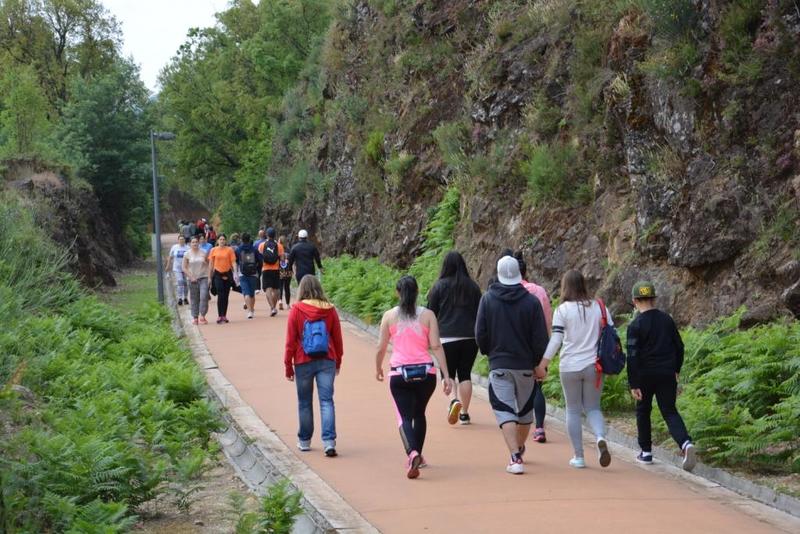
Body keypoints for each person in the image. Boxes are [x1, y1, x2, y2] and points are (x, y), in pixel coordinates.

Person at [476, 256, 549, 475]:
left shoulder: (488, 299)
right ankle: (518, 449)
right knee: (525, 413)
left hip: (499, 364)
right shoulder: (531, 302)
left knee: (504, 410)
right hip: (525, 366)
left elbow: (480, 333)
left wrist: (489, 352)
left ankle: (515, 456)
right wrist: (538, 363)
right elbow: (540, 338)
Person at [376, 276, 454, 479]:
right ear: (417, 292)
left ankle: (412, 453)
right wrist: (447, 375)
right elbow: (436, 346)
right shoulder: (428, 315)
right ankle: (418, 454)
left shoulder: (389, 316)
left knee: (404, 417)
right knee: (419, 414)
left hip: (399, 373)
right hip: (426, 373)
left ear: (397, 293)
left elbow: (381, 347)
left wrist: (378, 368)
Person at [536, 270, 612, 469]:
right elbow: (610, 333)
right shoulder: (599, 307)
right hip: (594, 366)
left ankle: (579, 457)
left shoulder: (563, 310)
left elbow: (556, 339)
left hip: (569, 366)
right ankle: (600, 438)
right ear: (584, 284)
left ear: (565, 286)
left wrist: (543, 364)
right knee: (593, 408)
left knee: (573, 410)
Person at [627, 281, 696, 471]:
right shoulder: (667, 319)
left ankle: (646, 452)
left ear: (634, 301)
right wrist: (676, 369)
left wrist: (633, 383)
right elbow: (679, 346)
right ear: (654, 299)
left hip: (645, 375)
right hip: (667, 372)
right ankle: (685, 444)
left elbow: (632, 356)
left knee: (643, 410)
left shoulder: (635, 325)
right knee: (669, 410)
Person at [284, 275, 344, 458]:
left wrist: (288, 365)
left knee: (304, 402)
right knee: (326, 401)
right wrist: (338, 361)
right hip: (327, 359)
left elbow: (290, 340)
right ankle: (329, 442)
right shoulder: (330, 310)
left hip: (303, 360)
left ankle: (304, 441)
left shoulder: (296, 310)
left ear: (301, 289)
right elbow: (337, 339)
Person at [427, 251, 482, 425]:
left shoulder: (439, 286)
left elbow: (431, 312)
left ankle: (453, 400)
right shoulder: (473, 287)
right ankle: (465, 413)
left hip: (446, 337)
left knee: (447, 372)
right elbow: (480, 313)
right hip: (470, 337)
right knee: (465, 374)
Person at [515, 251, 553, 444]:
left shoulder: (508, 289)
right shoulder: (538, 291)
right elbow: (548, 320)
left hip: (516, 345)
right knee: (537, 387)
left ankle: (517, 428)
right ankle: (539, 428)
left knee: (516, 387)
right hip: (538, 344)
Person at [207, 233, 237, 324]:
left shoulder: (230, 250)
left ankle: (224, 315)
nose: (222, 241)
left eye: (223, 239)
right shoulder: (213, 250)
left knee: (226, 295)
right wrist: (209, 277)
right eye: (220, 239)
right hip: (217, 274)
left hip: (227, 274)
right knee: (220, 294)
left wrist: (235, 272)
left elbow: (233, 262)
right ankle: (220, 315)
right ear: (217, 241)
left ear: (226, 241)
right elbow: (211, 264)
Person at [182, 236, 209, 325]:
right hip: (192, 279)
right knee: (194, 298)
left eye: (196, 242)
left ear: (199, 243)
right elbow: (184, 267)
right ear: (190, 244)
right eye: (193, 242)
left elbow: (209, 264)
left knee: (204, 296)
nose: (195, 244)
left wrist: (210, 276)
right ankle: (195, 317)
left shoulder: (204, 252)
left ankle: (203, 315)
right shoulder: (187, 254)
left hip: (203, 277)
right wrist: (191, 277)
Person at [236, 233, 262, 319]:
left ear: (242, 239)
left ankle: (249, 311)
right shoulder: (254, 249)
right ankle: (252, 309)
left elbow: (236, 260)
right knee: (252, 294)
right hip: (253, 273)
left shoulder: (239, 249)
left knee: (246, 293)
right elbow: (260, 260)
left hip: (242, 273)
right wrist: (258, 271)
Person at [258, 228, 284, 316]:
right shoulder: (279, 246)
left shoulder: (262, 245)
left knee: (268, 289)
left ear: (267, 235)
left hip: (265, 269)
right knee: (276, 289)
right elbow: (283, 259)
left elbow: (260, 256)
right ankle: (273, 307)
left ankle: (272, 308)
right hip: (276, 269)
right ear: (275, 235)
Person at [166, 235, 189, 305]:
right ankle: (179, 298)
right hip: (177, 268)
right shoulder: (174, 247)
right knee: (180, 281)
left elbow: (190, 258)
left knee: (185, 283)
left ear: (185, 240)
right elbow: (170, 257)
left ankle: (185, 297)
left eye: (183, 239)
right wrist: (168, 266)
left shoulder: (187, 248)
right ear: (178, 240)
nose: (181, 240)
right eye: (180, 239)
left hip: (185, 268)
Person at [278, 235, 292, 310]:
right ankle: (288, 304)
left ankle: (280, 301)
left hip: (280, 270)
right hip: (288, 271)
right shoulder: (289, 250)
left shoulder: (278, 250)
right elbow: (292, 261)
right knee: (287, 288)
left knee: (280, 286)